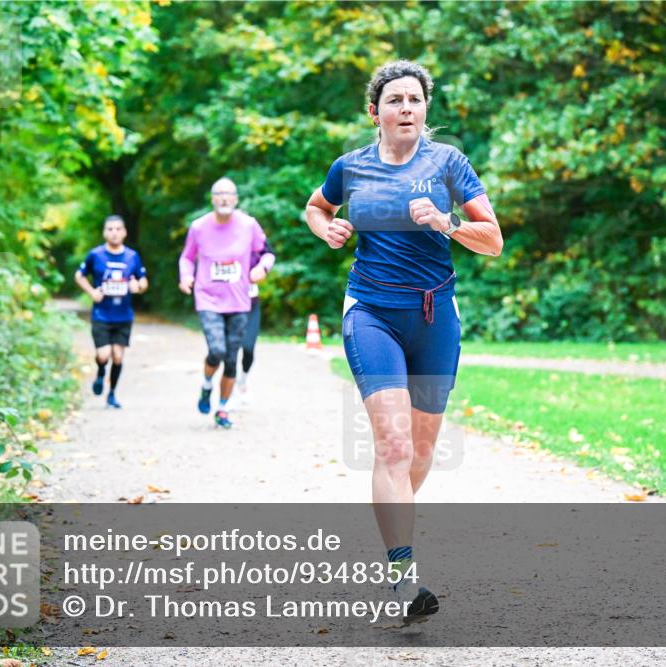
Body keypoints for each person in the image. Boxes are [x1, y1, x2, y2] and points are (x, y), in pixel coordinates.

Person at [304, 60, 502, 623]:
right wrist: (328, 228)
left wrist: (445, 222)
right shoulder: (351, 167)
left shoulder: (448, 163)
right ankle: (402, 576)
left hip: (436, 318)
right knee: (391, 447)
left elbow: (493, 241)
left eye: (415, 100)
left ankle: (395, 531)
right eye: (395, 100)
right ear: (376, 111)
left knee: (419, 453)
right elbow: (317, 206)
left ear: (425, 109)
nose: (407, 109)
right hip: (371, 313)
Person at [179, 177, 273, 429]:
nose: (224, 198)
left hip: (239, 301)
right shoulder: (199, 227)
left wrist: (262, 269)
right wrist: (186, 276)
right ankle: (206, 385)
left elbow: (267, 253)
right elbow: (187, 258)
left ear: (236, 199)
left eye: (229, 194)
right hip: (208, 298)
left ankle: (222, 408)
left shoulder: (248, 225)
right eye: (219, 194)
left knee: (232, 360)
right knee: (217, 351)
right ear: (212, 199)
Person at [75, 215, 148, 409]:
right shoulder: (95, 255)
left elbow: (143, 280)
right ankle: (100, 373)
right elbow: (79, 275)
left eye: (118, 229)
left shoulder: (132, 256)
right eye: (110, 229)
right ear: (104, 232)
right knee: (103, 355)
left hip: (124, 315)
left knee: (117, 356)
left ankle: (112, 394)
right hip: (102, 315)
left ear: (124, 232)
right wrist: (92, 292)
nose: (114, 233)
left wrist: (137, 286)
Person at [236, 239, 276, 404]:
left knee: (248, 347)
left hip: (251, 304)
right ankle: (227, 390)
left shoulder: (254, 239)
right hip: (227, 305)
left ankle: (243, 380)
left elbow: (270, 254)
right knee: (227, 350)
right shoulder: (221, 241)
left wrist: (262, 268)